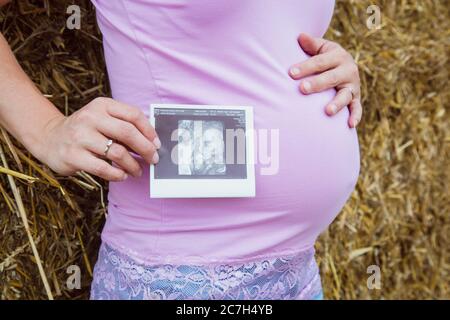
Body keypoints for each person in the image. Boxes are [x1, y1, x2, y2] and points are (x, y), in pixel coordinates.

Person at [0, 0, 362, 300]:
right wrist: (46, 130)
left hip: (296, 271)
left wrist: (336, 65)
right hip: (182, 277)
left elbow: (263, 37)